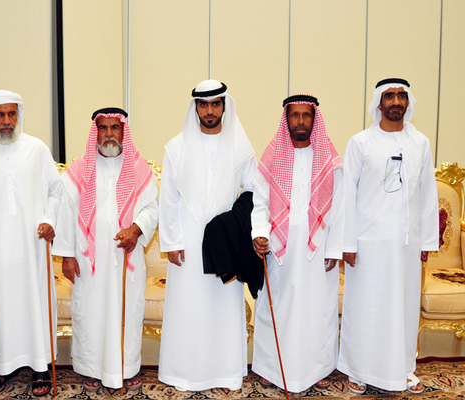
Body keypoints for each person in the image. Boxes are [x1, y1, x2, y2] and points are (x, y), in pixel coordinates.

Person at [338, 78, 439, 395]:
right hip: (368, 244)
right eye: (390, 96)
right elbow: (346, 195)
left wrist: (427, 241)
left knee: (405, 309)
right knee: (365, 307)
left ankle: (404, 369)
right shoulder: (360, 142)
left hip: (407, 244)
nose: (396, 101)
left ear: (408, 102)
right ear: (378, 103)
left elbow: (428, 194)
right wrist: (347, 243)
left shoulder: (420, 142)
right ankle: (358, 369)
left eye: (401, 96)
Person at [158, 80, 257, 391]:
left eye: (216, 103)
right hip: (187, 242)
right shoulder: (176, 147)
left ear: (224, 106)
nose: (210, 110)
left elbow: (254, 191)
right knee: (188, 308)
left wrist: (234, 226)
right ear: (196, 108)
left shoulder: (241, 147)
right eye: (203, 104)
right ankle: (183, 373)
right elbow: (168, 198)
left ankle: (225, 373)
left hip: (225, 241)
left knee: (222, 308)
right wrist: (172, 242)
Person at [52, 107, 158, 393]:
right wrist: (67, 256)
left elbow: (152, 208)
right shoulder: (78, 170)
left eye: (115, 127)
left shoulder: (139, 169)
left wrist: (136, 229)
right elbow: (65, 214)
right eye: (103, 128)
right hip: (89, 261)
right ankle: (92, 368)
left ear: (124, 131)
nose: (109, 134)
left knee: (127, 312)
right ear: (95, 132)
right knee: (91, 312)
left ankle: (126, 368)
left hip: (127, 256)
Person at [0, 90, 62, 397]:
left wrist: (50, 220)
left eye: (11, 113)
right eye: (0, 114)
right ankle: (3, 367)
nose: (6, 120)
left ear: (18, 115)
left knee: (36, 304)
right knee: (0, 307)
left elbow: (56, 190)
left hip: (32, 247)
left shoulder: (36, 148)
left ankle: (41, 368)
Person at [251, 93, 343, 393]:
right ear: (287, 119)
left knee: (318, 308)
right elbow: (260, 203)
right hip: (280, 249)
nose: (301, 121)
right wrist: (260, 233)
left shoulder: (329, 159)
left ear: (314, 119)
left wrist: (334, 247)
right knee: (278, 305)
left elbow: (340, 207)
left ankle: (319, 369)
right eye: (295, 115)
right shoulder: (272, 157)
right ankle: (271, 367)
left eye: (306, 115)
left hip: (319, 249)